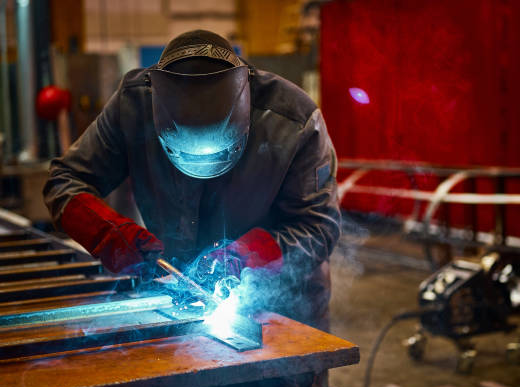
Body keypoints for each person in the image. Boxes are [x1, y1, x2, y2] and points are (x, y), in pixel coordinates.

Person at [43, 30, 340, 333]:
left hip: (284, 307)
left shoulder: (295, 122)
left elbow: (319, 227)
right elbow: (64, 180)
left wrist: (246, 255)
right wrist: (111, 235)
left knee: (286, 375)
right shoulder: (133, 105)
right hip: (178, 301)